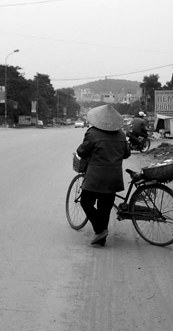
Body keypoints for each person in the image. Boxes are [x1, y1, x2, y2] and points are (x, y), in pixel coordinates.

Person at [76, 105, 131, 246]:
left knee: (86, 202)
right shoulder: (121, 135)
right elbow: (127, 154)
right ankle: (102, 238)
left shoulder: (92, 133)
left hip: (96, 177)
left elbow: (82, 152)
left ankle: (100, 230)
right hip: (114, 177)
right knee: (104, 207)